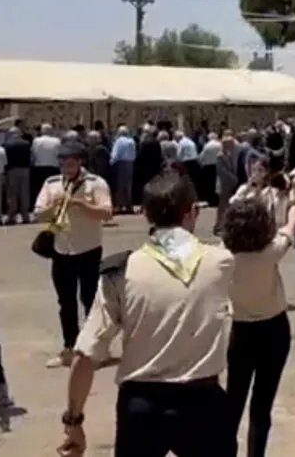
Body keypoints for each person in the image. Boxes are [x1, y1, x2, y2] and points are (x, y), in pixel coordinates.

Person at [57, 168, 236, 457]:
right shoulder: (221, 263)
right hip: (203, 403)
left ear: (145, 214)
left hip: (142, 407)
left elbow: (86, 354)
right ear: (193, 211)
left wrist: (73, 420)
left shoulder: (121, 272)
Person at [219, 198, 292, 457]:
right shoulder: (272, 251)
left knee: (234, 399)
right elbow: (290, 228)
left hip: (242, 331)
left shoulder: (223, 257)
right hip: (275, 330)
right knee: (262, 405)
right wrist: (294, 206)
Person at [34, 141, 113, 368]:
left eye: (70, 163)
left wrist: (80, 205)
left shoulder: (96, 183)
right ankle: (69, 348)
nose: (66, 168)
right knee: (66, 303)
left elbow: (107, 213)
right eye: (63, 164)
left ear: (80, 162)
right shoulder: (52, 184)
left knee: (90, 301)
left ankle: (94, 349)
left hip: (88, 249)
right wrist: (54, 207)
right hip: (62, 250)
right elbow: (39, 214)